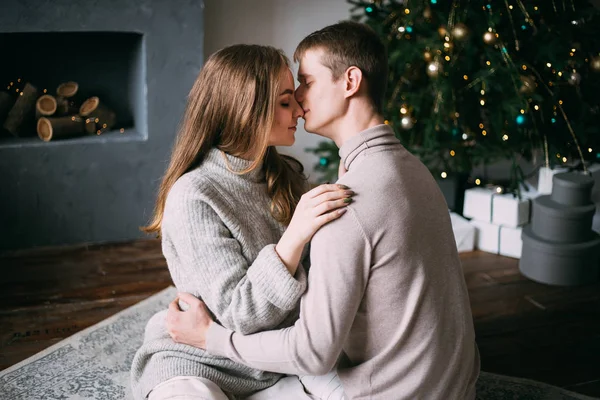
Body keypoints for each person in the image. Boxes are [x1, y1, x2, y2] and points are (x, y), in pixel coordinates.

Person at [166, 21, 481, 400]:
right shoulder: (413, 169)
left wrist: (209, 337)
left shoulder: (344, 202)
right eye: (287, 97)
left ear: (350, 82)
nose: (299, 101)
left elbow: (312, 351)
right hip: (455, 387)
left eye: (306, 83)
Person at [130, 44, 352, 400]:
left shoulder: (286, 175)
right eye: (284, 102)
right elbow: (240, 313)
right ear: (244, 112)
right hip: (205, 358)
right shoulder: (194, 194)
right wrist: (293, 237)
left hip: (279, 356)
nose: (298, 107)